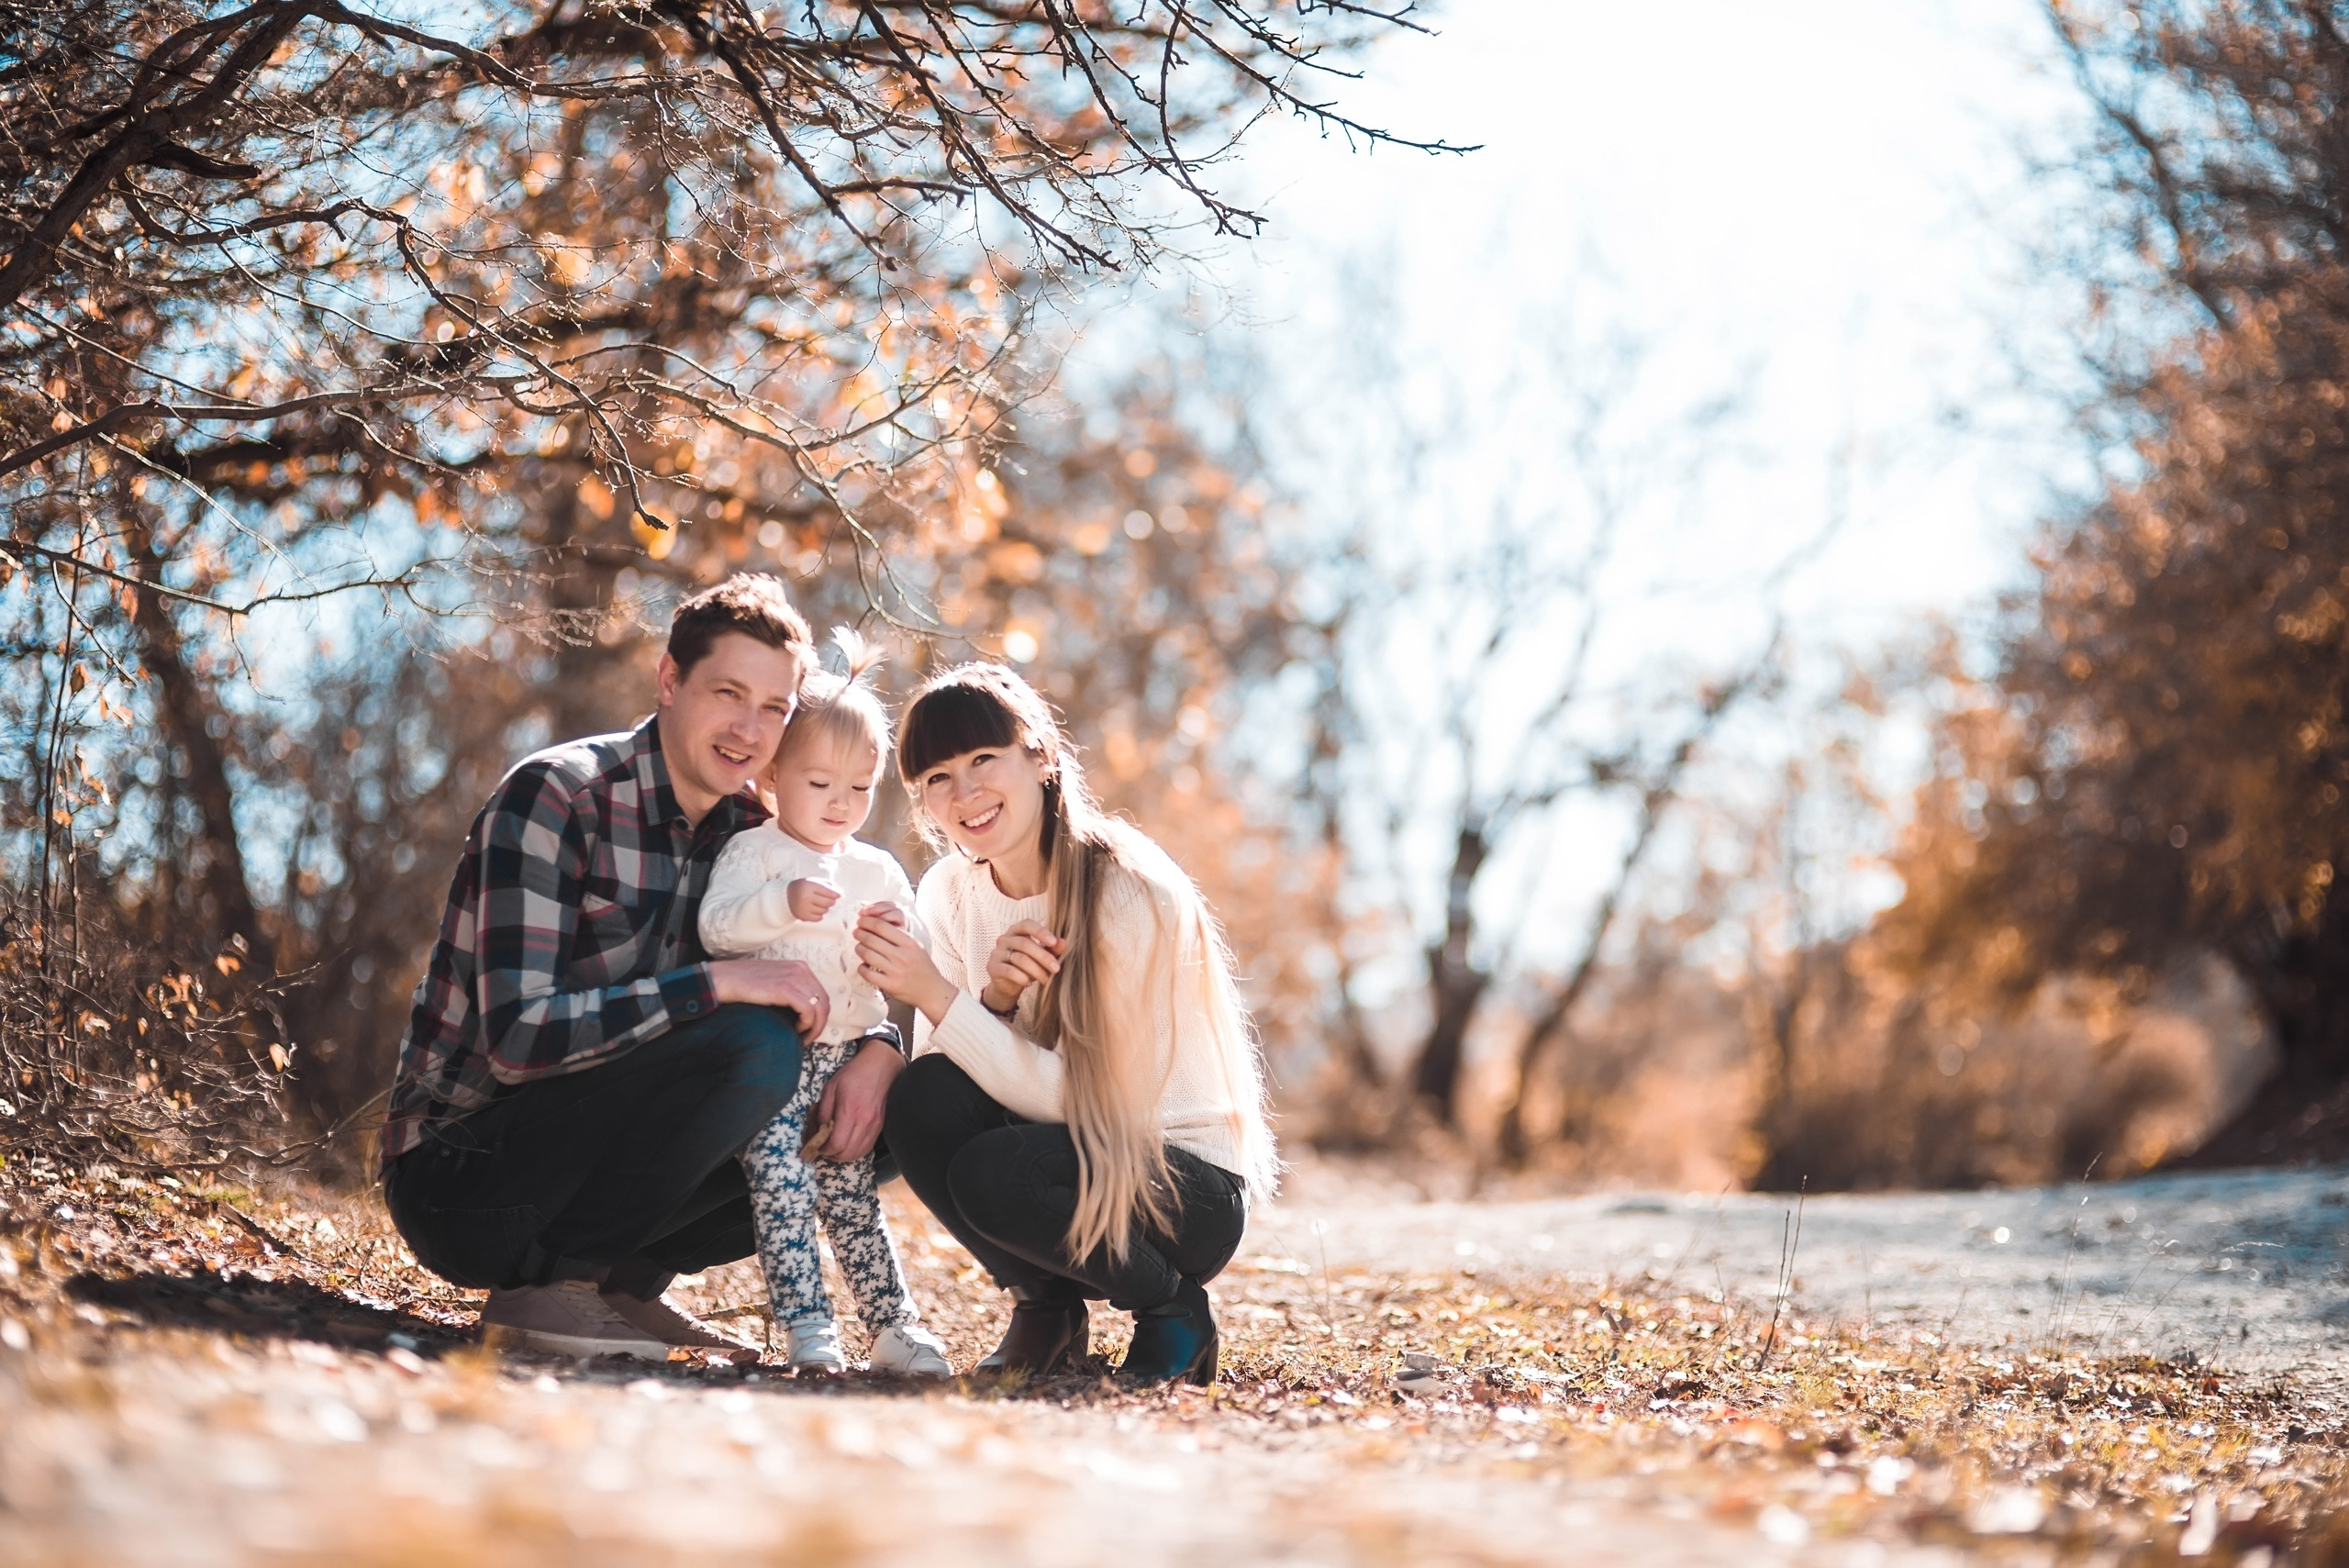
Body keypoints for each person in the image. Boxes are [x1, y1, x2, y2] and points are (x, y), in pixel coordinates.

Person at [381, 575, 906, 1360]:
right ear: (669, 680)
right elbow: (517, 1041)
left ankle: (620, 1282)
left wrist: (884, 1047)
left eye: (775, 707)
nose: (750, 728)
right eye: (729, 692)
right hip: (467, 1172)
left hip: (594, 1159)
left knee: (880, 1108)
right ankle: (545, 1287)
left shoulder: (760, 835)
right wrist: (719, 982)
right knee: (755, 1046)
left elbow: (835, 976)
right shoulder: (558, 797)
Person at [854, 663, 1278, 1385]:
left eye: (984, 760)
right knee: (918, 1100)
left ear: (1041, 757)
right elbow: (943, 1086)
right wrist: (988, 999)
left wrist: (935, 992)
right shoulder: (950, 893)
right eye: (938, 778)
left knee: (993, 1171)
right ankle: (1045, 1308)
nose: (966, 793)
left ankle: (1174, 1308)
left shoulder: (1126, 888)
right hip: (1061, 1176)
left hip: (1181, 1190)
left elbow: (1100, 1106)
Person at [699, 632, 952, 1378]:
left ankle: (893, 1326)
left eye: (860, 787)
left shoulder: (876, 867)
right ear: (774, 775)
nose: (841, 804)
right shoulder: (756, 851)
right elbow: (715, 927)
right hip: (774, 1056)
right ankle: (808, 1324)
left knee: (851, 1194)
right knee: (779, 1178)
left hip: (848, 1056)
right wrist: (781, 903)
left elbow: (923, 945)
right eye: (820, 785)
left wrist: (902, 929)